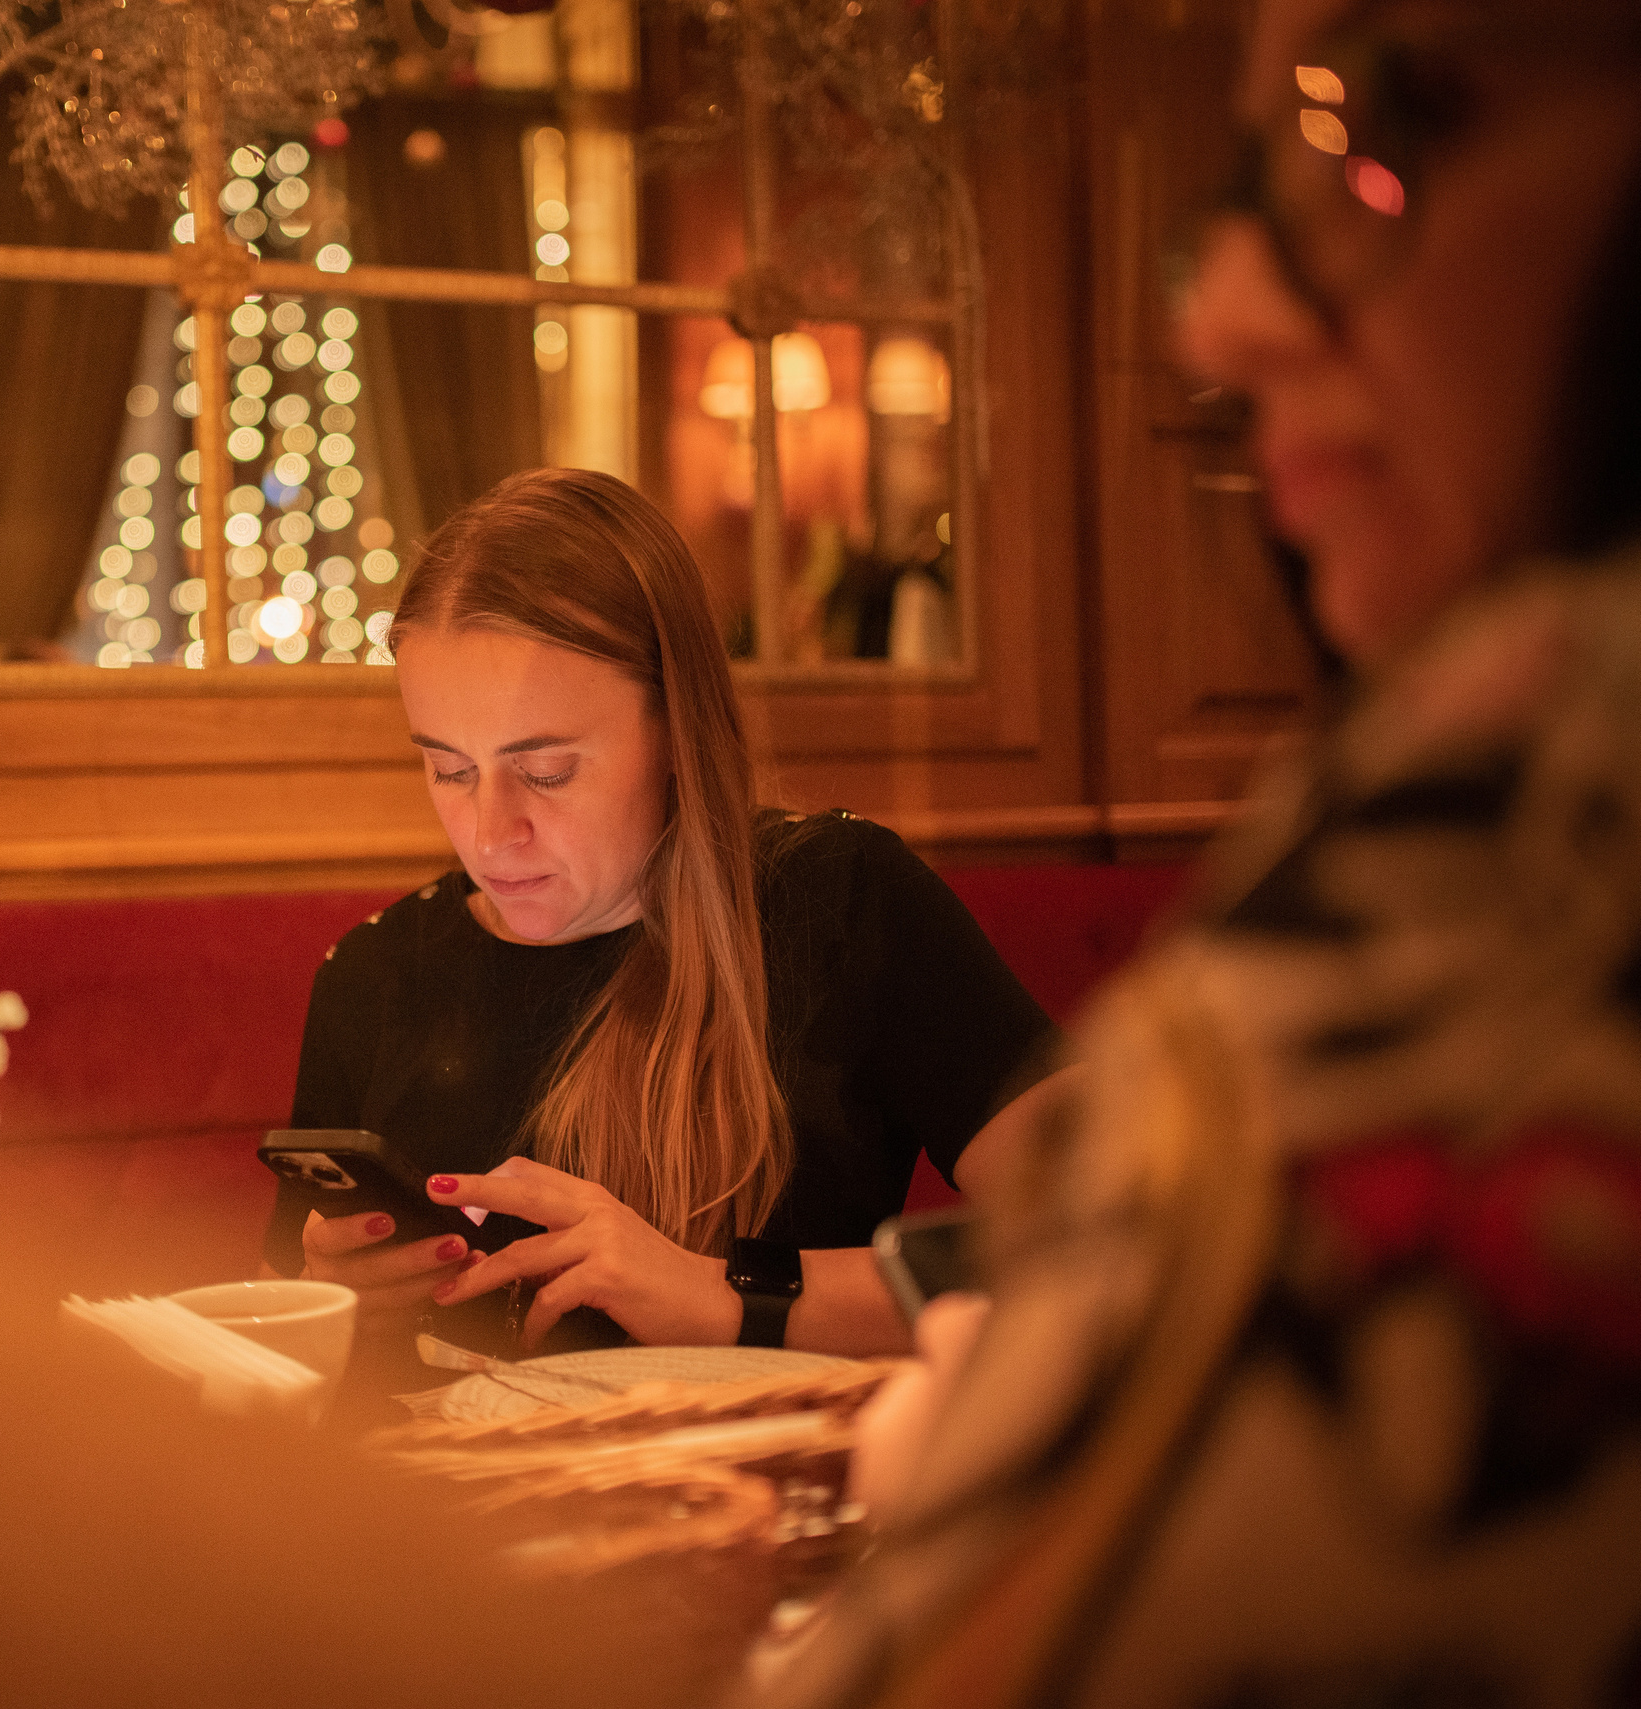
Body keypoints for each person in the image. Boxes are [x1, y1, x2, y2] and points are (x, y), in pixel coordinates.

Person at [762, 3, 1641, 1704]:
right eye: (1253, 176)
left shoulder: (1554, 778)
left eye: (1388, 118)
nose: (1221, 324)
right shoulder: (402, 954)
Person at [261, 467, 1075, 1361]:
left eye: (547, 771)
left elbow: (1105, 1238)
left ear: (676, 731)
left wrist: (725, 1296)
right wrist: (322, 1311)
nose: (490, 834)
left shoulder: (840, 901)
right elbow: (281, 1372)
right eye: (450, 770)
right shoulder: (371, 977)